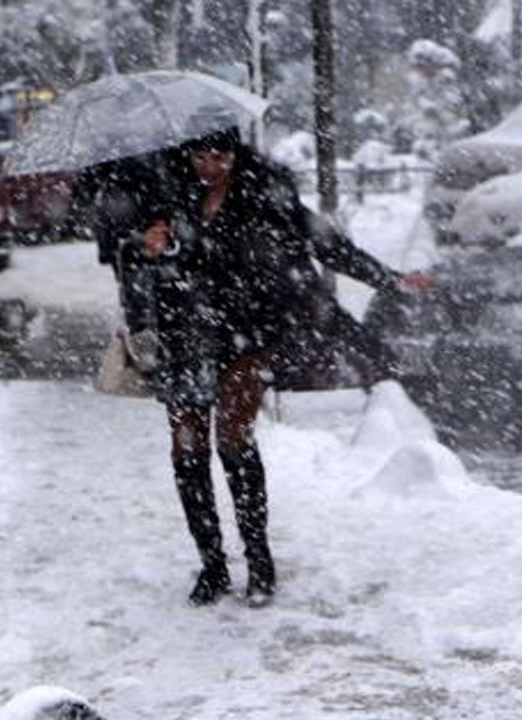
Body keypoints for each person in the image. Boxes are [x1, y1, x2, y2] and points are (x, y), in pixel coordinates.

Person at [129, 114, 430, 607]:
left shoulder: (266, 195)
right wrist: (151, 248)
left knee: (234, 442)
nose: (210, 167)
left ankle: (259, 559)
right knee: (187, 452)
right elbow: (144, 270)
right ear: (186, 155)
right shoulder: (166, 197)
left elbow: (327, 245)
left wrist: (388, 278)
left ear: (236, 153)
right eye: (200, 157)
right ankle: (212, 564)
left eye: (221, 157)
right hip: (184, 338)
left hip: (245, 337)